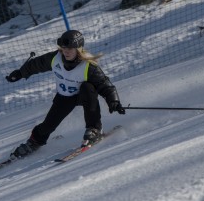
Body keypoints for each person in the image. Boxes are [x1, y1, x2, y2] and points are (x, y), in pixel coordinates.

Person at [6, 29, 125, 158]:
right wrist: (20, 73)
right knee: (48, 125)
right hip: (64, 97)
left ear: (78, 49)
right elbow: (36, 64)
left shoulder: (88, 66)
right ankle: (34, 142)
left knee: (87, 87)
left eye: (70, 48)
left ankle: (94, 129)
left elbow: (105, 85)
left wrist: (114, 101)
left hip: (83, 95)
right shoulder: (55, 58)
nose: (66, 51)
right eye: (63, 48)